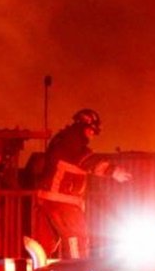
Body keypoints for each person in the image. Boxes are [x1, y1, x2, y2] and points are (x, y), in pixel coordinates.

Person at [35, 109, 130, 259]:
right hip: (63, 201)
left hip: (49, 199)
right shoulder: (72, 142)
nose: (93, 135)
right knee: (77, 237)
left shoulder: (63, 139)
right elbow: (87, 161)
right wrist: (113, 171)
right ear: (83, 126)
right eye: (92, 130)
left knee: (45, 243)